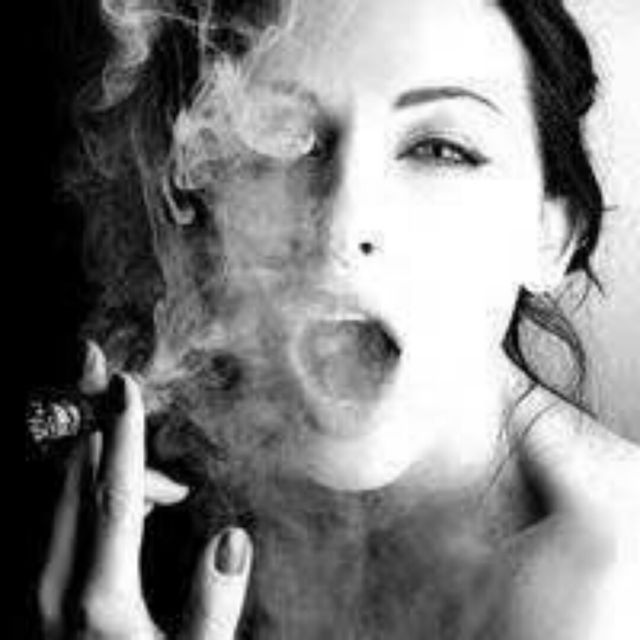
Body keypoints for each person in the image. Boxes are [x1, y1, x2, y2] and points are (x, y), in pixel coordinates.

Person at [34, 0, 639, 638]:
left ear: (552, 237)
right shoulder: (207, 471)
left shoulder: (602, 593)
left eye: (440, 149)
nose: (340, 226)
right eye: (279, 137)